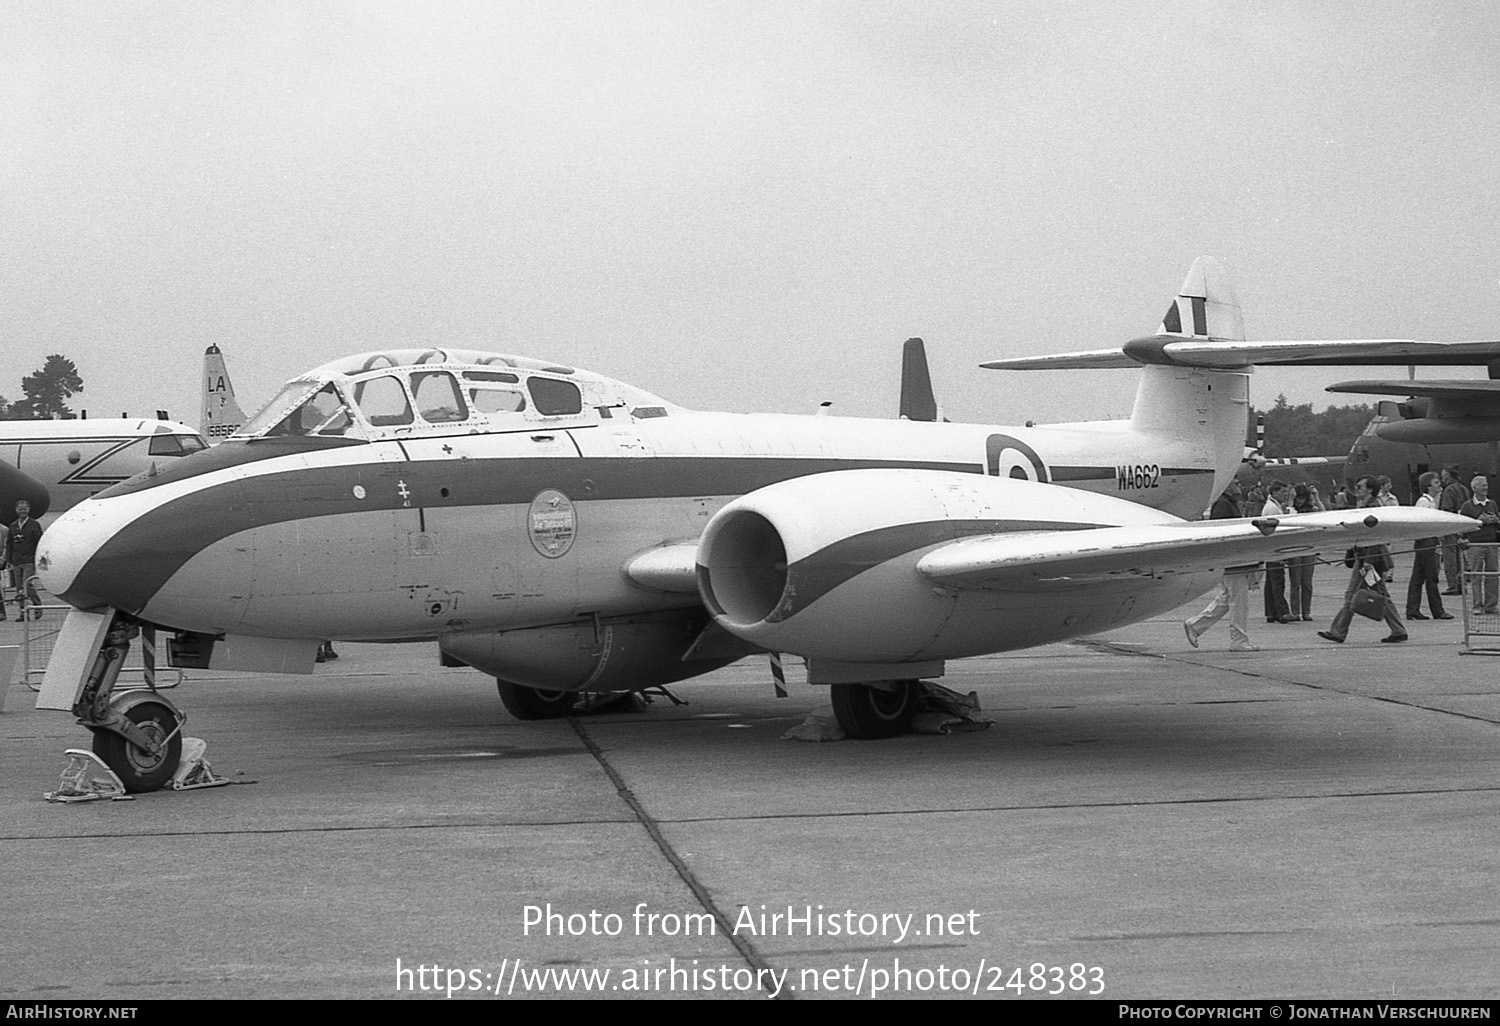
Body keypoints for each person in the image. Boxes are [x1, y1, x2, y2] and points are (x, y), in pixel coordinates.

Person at [1318, 477, 1407, 644]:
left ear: (1370, 490)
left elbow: (1374, 537)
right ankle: (1398, 630)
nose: (1356, 489)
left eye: (1359, 487)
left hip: (1369, 559)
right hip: (1365, 558)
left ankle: (1338, 632)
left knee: (1352, 595)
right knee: (1381, 595)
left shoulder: (1373, 508)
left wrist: (1368, 562)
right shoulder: (1364, 506)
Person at [1184, 480, 1259, 652]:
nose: (1239, 486)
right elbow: (1223, 533)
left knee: (1226, 599)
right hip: (1232, 561)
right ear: (1227, 486)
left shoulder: (1228, 504)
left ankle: (1195, 625)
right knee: (1239, 602)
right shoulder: (1224, 505)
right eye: (1236, 484)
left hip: (1231, 560)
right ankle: (1239, 640)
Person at [1406, 472, 1452, 621]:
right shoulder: (1425, 502)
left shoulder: (1431, 501)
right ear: (1428, 486)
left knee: (1418, 576)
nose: (1439, 485)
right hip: (1427, 541)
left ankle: (1412, 609)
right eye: (1436, 483)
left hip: (1425, 541)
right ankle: (1437, 610)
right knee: (1431, 576)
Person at [1459, 474, 1500, 615]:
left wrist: (1495, 520)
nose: (1486, 487)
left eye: (1486, 484)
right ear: (1475, 488)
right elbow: (1464, 526)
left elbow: (1498, 524)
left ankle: (1491, 605)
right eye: (1483, 485)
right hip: (1475, 544)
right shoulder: (1467, 506)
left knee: (1493, 574)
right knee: (1476, 575)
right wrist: (1479, 521)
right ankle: (1477, 605)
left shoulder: (1492, 504)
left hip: (1492, 544)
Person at [1286, 483, 1325, 621]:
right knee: (1295, 583)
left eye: (1302, 498)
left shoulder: (1312, 510)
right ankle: (1295, 611)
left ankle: (1306, 611)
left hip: (1309, 548)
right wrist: (1290, 501)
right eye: (1298, 499)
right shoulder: (1291, 510)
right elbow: (1286, 518)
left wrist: (1317, 497)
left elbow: (1324, 515)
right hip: (1294, 548)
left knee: (1307, 583)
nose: (1300, 501)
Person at [1260, 480, 1295, 624]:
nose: (1285, 494)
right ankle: (1282, 612)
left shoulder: (1273, 506)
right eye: (1282, 492)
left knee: (1271, 581)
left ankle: (1271, 612)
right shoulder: (1273, 509)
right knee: (1277, 580)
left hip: (1270, 549)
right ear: (1274, 492)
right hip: (1275, 549)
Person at [5, 499, 44, 621]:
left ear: (28, 510)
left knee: (26, 585)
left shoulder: (34, 525)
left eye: (25, 509)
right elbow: (9, 543)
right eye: (20, 509)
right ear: (16, 510)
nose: (22, 511)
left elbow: (39, 542)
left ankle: (37, 606)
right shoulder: (13, 525)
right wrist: (8, 559)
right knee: (18, 587)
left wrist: (38, 558)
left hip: (29, 559)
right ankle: (23, 613)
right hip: (16, 560)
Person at [1440, 465, 1470, 595]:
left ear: (1448, 475)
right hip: (1462, 526)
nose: (1442, 477)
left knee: (1449, 558)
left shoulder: (1449, 490)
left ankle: (1452, 585)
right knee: (1460, 558)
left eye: (1443, 475)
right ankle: (1461, 584)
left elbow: (1446, 509)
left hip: (1450, 527)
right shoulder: (1464, 489)